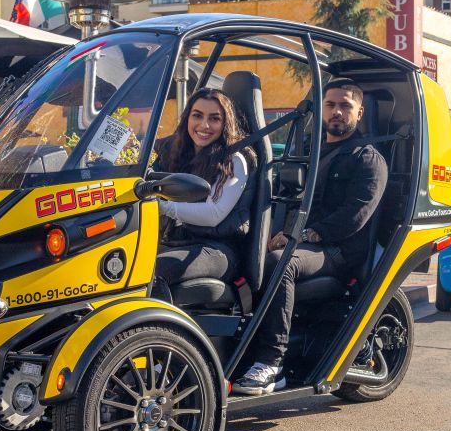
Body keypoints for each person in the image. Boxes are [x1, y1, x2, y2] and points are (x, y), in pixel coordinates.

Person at [233, 78, 388, 395]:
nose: (337, 112)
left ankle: (272, 361)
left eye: (346, 106)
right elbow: (289, 200)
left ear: (359, 113)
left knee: (279, 263)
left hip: (337, 251)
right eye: (331, 105)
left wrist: (300, 235)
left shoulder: (366, 158)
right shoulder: (306, 152)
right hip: (301, 242)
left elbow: (355, 215)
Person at [152, 88, 254, 300]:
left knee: (154, 270)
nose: (204, 125)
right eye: (197, 115)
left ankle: (158, 332)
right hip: (175, 242)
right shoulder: (174, 153)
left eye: (214, 119)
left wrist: (163, 206)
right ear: (187, 117)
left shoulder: (235, 160)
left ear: (225, 123)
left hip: (216, 249)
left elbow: (213, 213)